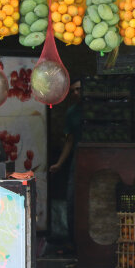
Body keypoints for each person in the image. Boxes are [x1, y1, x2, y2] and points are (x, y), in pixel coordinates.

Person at [48, 77, 82, 253]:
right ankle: (72, 240)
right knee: (72, 196)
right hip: (78, 156)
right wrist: (59, 163)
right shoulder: (71, 113)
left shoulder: (93, 110)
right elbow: (69, 141)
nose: (76, 93)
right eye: (73, 90)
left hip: (94, 155)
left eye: (79, 89)